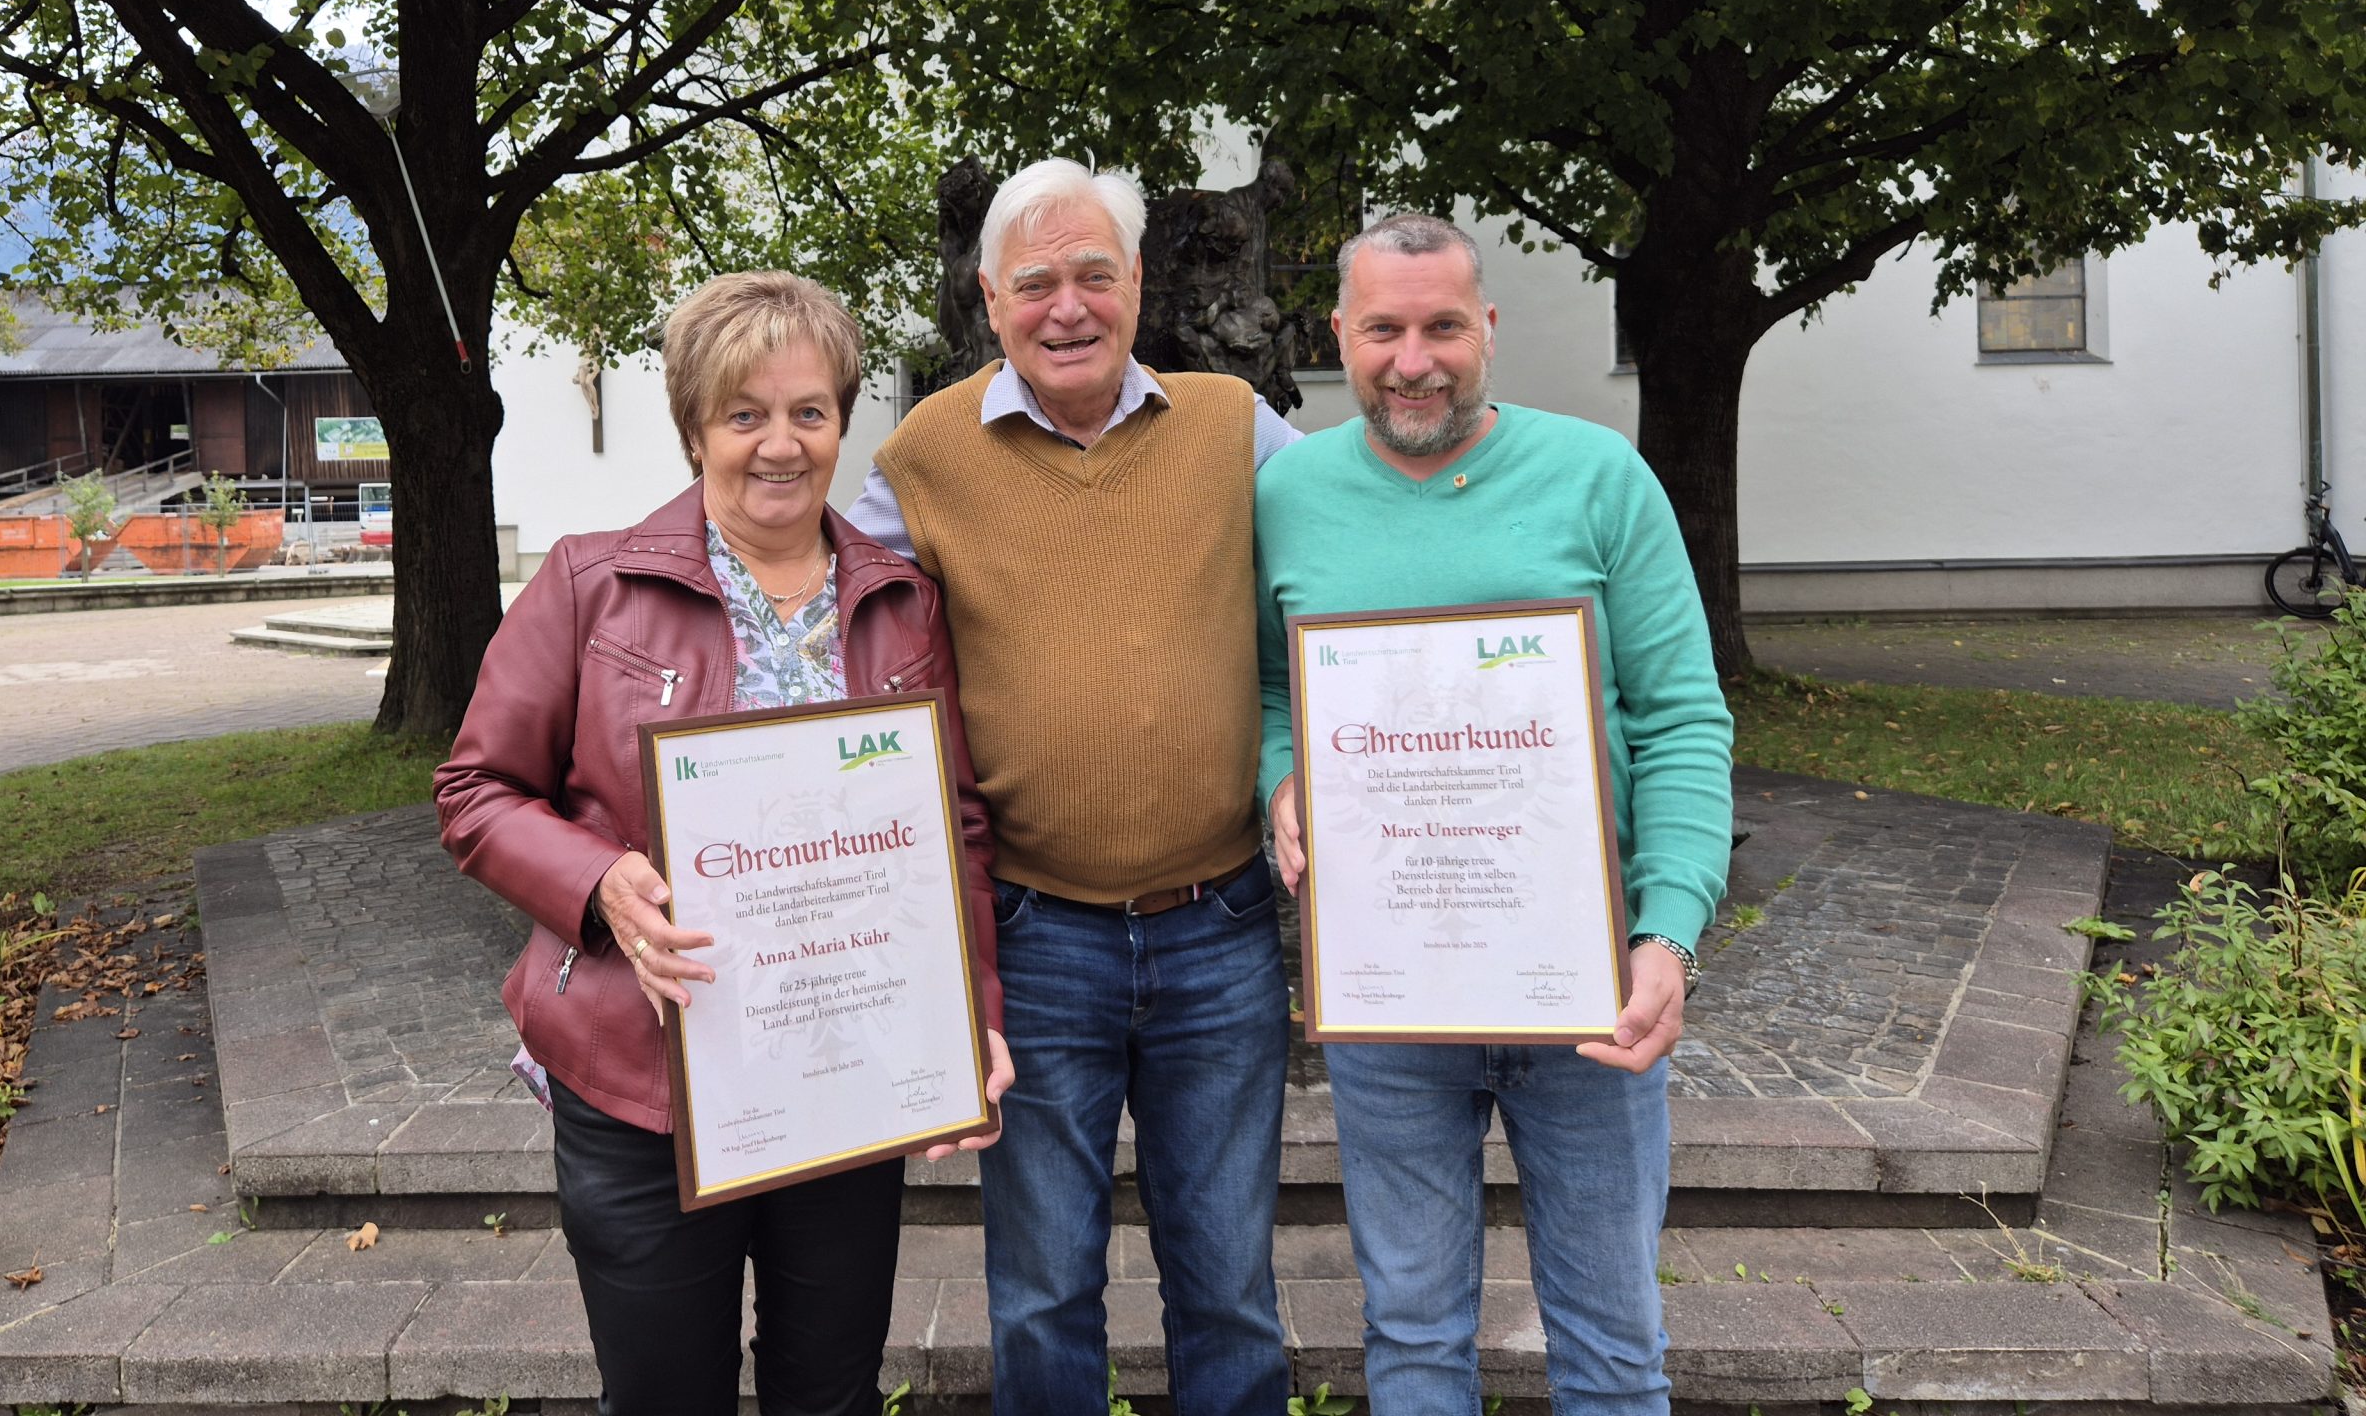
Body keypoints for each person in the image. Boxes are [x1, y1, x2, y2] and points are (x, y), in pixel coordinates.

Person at [434, 270, 1013, 1416]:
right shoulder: (591, 584)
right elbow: (476, 791)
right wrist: (598, 880)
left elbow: (951, 826)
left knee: (830, 1393)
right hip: (643, 1080)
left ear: (842, 423)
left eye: (809, 411)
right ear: (694, 427)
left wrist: (971, 1009)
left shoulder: (901, 601)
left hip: (842, 1071)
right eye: (744, 413)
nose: (780, 445)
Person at [1255, 212, 1735, 1416]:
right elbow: (1267, 688)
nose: (1412, 361)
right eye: (1383, 330)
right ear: (1339, 334)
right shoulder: (1287, 494)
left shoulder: (1598, 476)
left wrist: (1668, 933)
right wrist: (1282, 777)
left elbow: (1682, 718)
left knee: (1613, 1346)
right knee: (1412, 1334)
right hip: (1391, 990)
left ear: (1488, 328)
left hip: (1587, 984)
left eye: (1443, 328)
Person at [847, 158, 1302, 1416]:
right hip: (1035, 935)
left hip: (1218, 928)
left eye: (1094, 275)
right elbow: (834, 640)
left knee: (1228, 1283)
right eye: (1035, 282)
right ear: (989, 298)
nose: (1067, 307)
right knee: (1042, 1293)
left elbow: (1350, 562)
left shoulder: (1234, 424)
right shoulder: (924, 455)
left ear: (1137, 284)